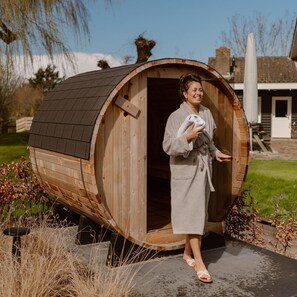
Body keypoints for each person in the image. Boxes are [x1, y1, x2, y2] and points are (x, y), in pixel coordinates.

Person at [162, 74, 231, 283]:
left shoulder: (207, 113)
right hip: (185, 170)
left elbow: (209, 142)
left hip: (203, 170)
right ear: (185, 93)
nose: (199, 93)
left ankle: (186, 253)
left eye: (200, 90)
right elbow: (167, 146)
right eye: (194, 90)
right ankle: (200, 263)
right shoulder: (176, 116)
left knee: (198, 215)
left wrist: (215, 152)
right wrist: (187, 138)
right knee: (193, 215)